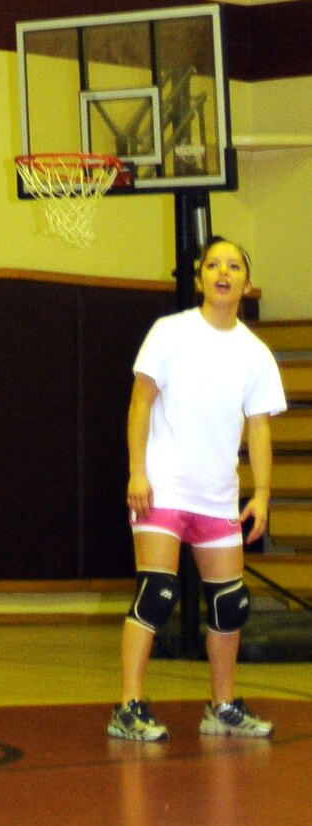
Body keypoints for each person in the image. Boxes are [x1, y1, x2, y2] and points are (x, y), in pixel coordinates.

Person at [109, 237, 286, 744]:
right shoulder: (171, 333)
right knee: (157, 593)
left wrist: (263, 493)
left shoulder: (255, 354)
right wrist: (137, 471)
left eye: (233, 266)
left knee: (229, 605)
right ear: (200, 277)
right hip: (164, 488)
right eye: (213, 264)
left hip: (217, 496)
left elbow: (259, 428)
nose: (223, 272)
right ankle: (129, 706)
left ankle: (223, 705)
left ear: (246, 283)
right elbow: (140, 403)